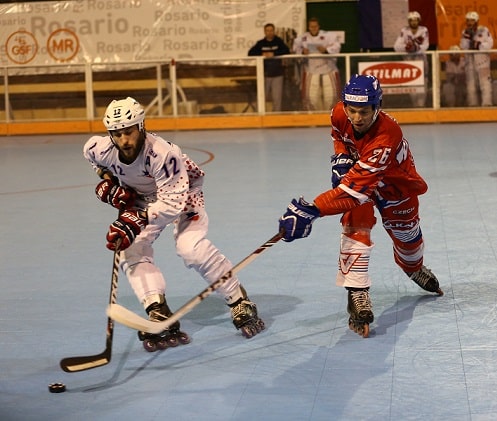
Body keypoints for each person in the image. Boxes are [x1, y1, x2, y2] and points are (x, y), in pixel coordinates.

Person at [83, 97, 265, 351]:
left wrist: (137, 218)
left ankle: (239, 301)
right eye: (117, 134)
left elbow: (172, 203)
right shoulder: (101, 148)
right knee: (130, 249)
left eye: (128, 132)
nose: (123, 140)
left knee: (191, 248)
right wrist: (108, 180)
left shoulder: (163, 154)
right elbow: (90, 154)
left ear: (141, 126)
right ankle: (158, 311)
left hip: (183, 194)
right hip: (144, 200)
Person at [278, 74, 443, 339]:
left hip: (395, 186)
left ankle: (413, 267)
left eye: (364, 112)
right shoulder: (338, 113)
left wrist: (312, 210)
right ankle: (357, 291)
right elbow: (339, 136)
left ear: (377, 107)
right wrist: (342, 157)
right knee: (355, 224)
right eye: (351, 110)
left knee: (408, 241)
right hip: (361, 178)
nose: (356, 117)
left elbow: (355, 191)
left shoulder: (387, 134)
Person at [292, 17, 341, 111]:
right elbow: (294, 49)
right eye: (311, 27)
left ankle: (332, 118)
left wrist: (326, 50)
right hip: (311, 70)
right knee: (311, 97)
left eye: (315, 26)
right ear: (308, 27)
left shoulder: (328, 36)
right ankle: (312, 120)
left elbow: (337, 46)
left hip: (328, 69)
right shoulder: (302, 38)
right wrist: (302, 51)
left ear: (318, 26)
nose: (313, 28)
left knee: (331, 97)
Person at [248, 23, 290, 112]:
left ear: (274, 31)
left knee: (277, 98)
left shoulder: (279, 42)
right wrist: (262, 54)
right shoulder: (261, 43)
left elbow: (286, 51)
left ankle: (276, 118)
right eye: (267, 31)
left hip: (277, 74)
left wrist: (273, 54)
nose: (270, 32)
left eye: (271, 30)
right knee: (262, 97)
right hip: (264, 75)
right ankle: (260, 116)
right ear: (264, 32)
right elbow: (250, 53)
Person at [393, 11, 430, 107]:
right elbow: (396, 47)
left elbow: (425, 45)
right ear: (409, 21)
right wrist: (407, 48)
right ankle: (415, 107)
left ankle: (421, 106)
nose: (414, 22)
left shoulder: (423, 30)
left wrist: (415, 48)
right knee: (412, 87)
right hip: (409, 63)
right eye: (411, 20)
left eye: (415, 20)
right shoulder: (404, 31)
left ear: (419, 21)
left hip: (421, 62)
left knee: (423, 84)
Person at [459, 11, 494, 107]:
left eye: (472, 20)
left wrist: (478, 45)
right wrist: (467, 39)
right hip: (470, 61)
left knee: (485, 82)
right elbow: (463, 46)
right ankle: (472, 104)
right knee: (471, 84)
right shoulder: (464, 32)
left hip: (482, 60)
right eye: (468, 21)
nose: (470, 23)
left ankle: (487, 103)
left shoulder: (484, 30)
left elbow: (490, 44)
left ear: (477, 21)